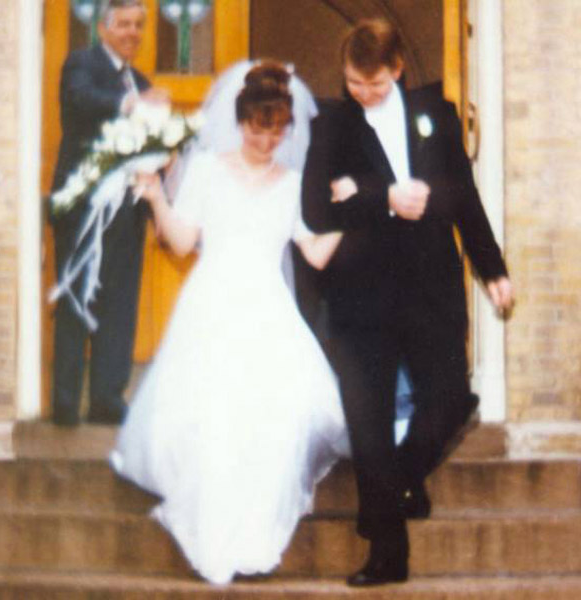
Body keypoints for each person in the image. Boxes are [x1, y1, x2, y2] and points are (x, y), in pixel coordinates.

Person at [110, 61, 350, 585]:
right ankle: (218, 528)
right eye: (257, 128)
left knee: (271, 421)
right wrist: (155, 198)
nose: (267, 140)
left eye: (277, 129)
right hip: (212, 308)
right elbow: (180, 241)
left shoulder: (293, 184)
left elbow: (314, 253)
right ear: (240, 122)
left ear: (289, 128)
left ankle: (254, 530)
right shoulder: (207, 171)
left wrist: (353, 212)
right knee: (214, 419)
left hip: (267, 310)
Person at [301, 18, 514, 586]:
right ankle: (387, 559)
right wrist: (383, 196)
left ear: (396, 70)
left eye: (373, 84)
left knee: (450, 399)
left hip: (430, 289)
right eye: (353, 82)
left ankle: (396, 484)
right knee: (368, 425)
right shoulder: (332, 125)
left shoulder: (436, 113)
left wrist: (491, 268)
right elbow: (316, 211)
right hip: (359, 298)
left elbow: (462, 195)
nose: (362, 93)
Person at [50, 0, 170, 426]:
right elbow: (83, 101)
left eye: (139, 25)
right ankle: (64, 405)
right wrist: (134, 106)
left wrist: (161, 203)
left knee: (119, 306)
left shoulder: (140, 80)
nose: (132, 32)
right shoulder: (81, 64)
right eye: (123, 24)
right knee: (76, 300)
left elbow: (148, 149)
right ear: (104, 28)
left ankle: (106, 398)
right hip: (83, 209)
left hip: (127, 211)